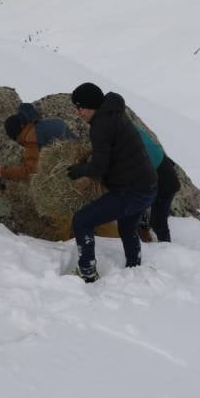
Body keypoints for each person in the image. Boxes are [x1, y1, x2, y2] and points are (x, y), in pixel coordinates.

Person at [66, 82, 156, 282]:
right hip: (147, 186)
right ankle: (134, 269)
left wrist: (80, 170)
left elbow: (99, 168)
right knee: (126, 228)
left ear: (91, 106)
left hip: (131, 191)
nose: (77, 112)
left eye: (79, 107)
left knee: (82, 220)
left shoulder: (100, 126)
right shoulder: (114, 114)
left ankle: (87, 272)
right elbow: (111, 151)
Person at [0, 102, 76, 182]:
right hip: (81, 157)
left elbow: (30, 172)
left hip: (70, 175)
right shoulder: (55, 121)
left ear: (16, 136)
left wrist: (3, 172)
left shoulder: (31, 138)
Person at [135, 127, 181, 243]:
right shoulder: (133, 131)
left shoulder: (129, 138)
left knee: (158, 222)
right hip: (162, 177)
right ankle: (147, 233)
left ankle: (166, 248)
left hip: (165, 184)